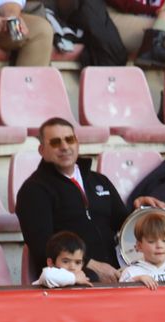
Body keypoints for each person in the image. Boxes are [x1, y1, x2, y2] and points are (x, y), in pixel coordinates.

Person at [16, 118, 135, 284]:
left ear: (77, 143)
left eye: (69, 139)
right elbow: (43, 247)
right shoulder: (33, 190)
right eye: (56, 142)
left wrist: (142, 209)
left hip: (116, 272)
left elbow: (125, 226)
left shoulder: (99, 181)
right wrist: (91, 265)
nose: (64, 147)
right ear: (42, 150)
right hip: (73, 278)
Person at [119, 209, 165, 287]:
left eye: (164, 240)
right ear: (139, 246)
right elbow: (122, 295)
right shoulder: (131, 272)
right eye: (151, 241)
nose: (159, 246)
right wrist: (137, 281)